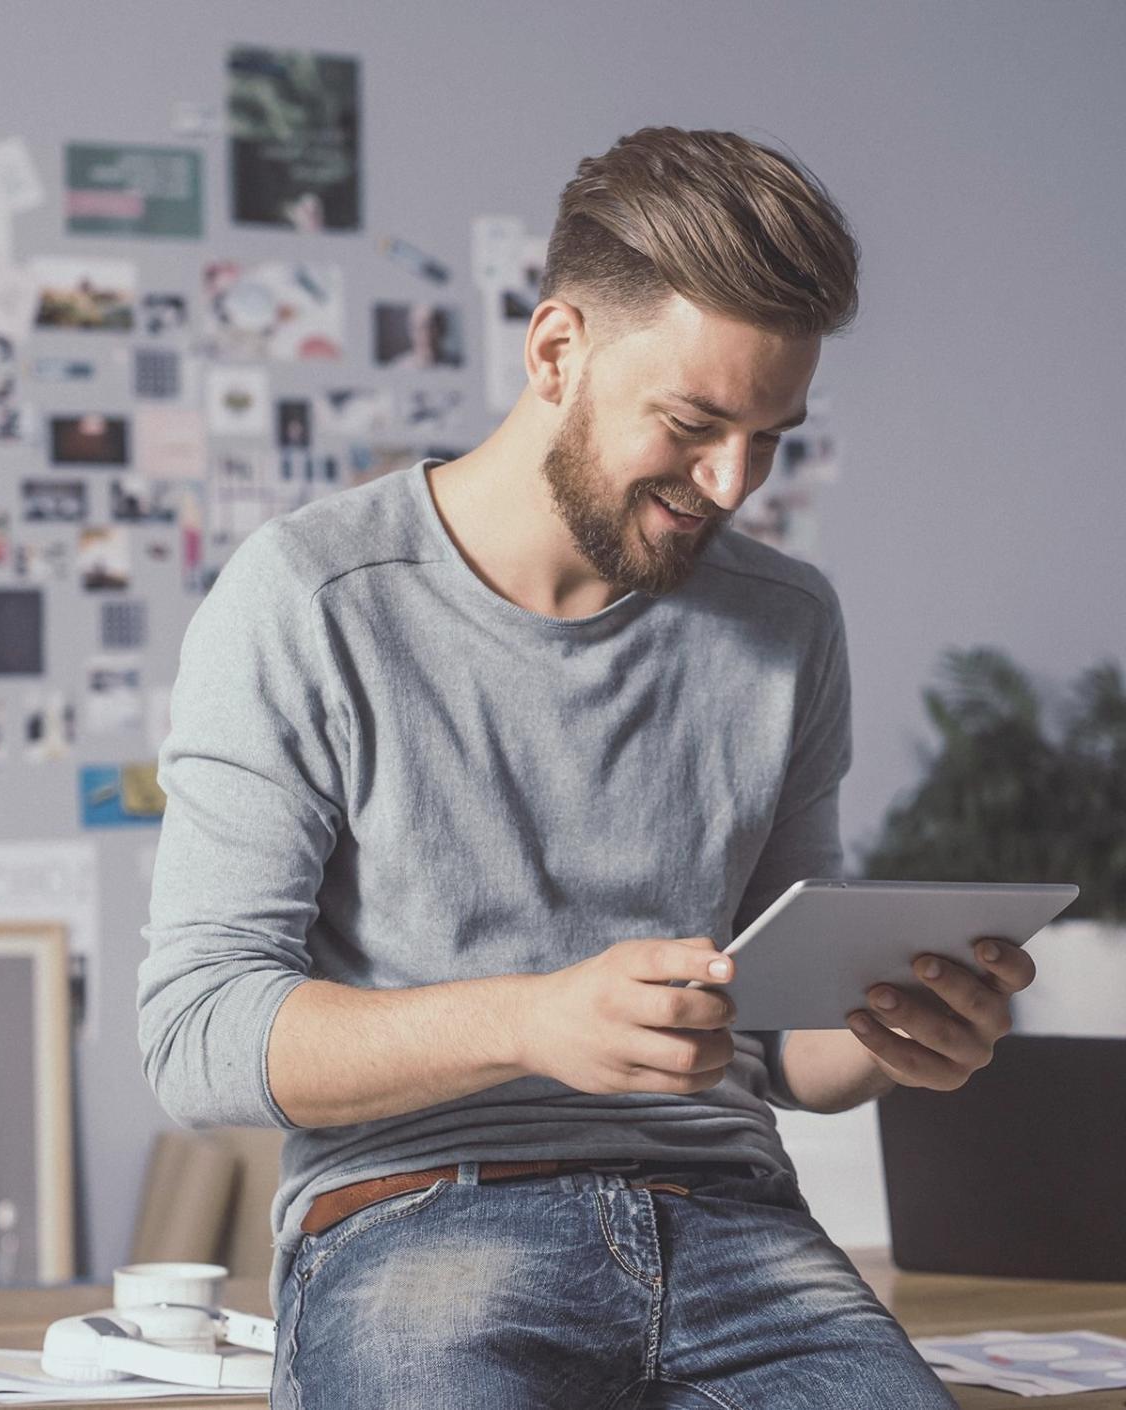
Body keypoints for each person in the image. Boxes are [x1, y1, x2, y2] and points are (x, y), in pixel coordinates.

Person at [138, 126, 1039, 1408]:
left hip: (733, 1222)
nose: (731, 482)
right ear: (557, 350)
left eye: (770, 437)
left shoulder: (786, 624)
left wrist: (891, 1039)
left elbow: (775, 1041)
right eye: (694, 423)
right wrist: (531, 1021)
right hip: (419, 1221)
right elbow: (195, 1035)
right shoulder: (309, 598)